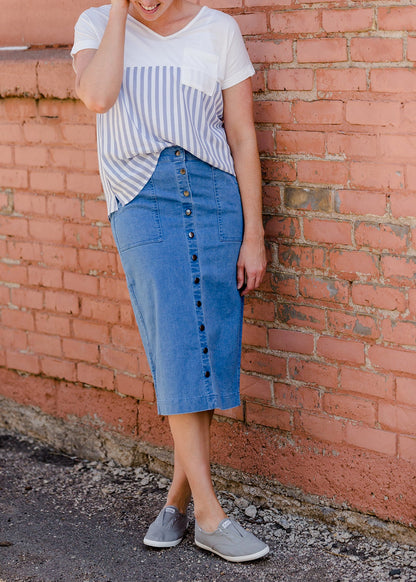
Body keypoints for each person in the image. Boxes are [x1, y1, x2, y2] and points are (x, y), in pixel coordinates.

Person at [71, 0, 268, 563]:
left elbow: (242, 134)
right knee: (178, 341)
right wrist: (119, 14)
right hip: (140, 197)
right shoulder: (95, 25)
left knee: (207, 342)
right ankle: (210, 515)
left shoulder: (218, 30)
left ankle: (177, 499)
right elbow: (98, 96)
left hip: (213, 196)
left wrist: (253, 233)